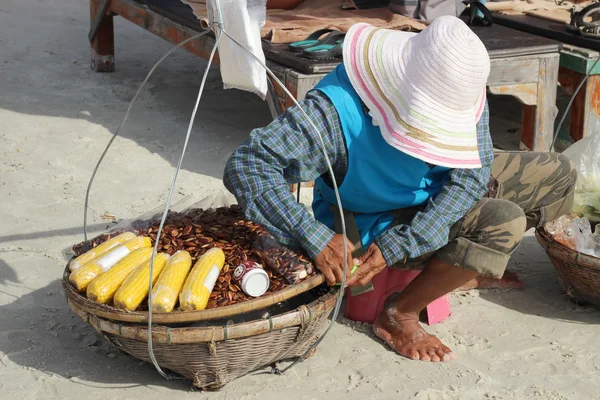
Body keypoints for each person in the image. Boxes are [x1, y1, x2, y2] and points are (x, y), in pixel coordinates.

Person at [223, 16, 576, 362]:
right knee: (503, 223)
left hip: (427, 201)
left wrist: (412, 240)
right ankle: (399, 314)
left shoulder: (461, 87)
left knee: (560, 175)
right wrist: (311, 235)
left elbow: (472, 175)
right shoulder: (332, 112)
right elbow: (248, 165)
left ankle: (460, 269)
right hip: (366, 219)